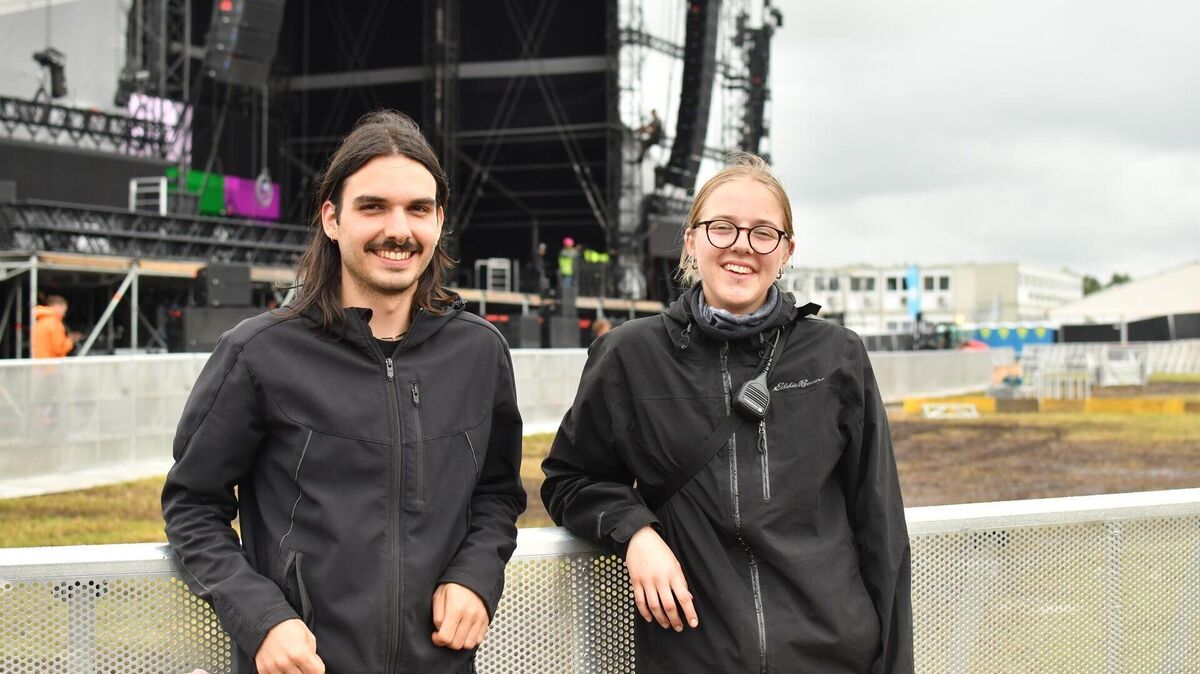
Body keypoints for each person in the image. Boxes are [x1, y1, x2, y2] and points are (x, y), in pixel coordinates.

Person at [162, 110, 526, 674]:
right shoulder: (258, 352)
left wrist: (476, 577)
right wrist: (262, 619)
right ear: (332, 218)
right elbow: (192, 504)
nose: (398, 229)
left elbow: (498, 494)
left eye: (418, 209)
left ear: (439, 221)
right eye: (373, 206)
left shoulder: (480, 353)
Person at [542, 152, 912, 673]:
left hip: (833, 655)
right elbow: (569, 479)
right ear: (691, 240)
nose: (742, 245)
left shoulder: (837, 356)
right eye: (723, 228)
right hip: (693, 655)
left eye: (764, 232)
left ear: (786, 251)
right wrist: (636, 532)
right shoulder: (629, 355)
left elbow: (880, 525)